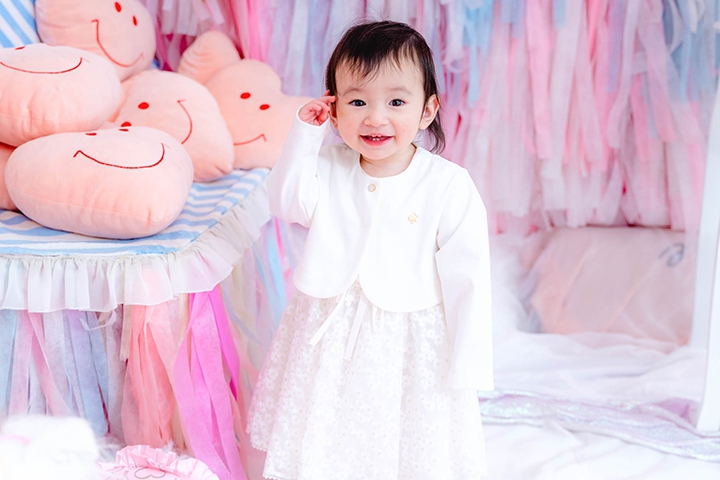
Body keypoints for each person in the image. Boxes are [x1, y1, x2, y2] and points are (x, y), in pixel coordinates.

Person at [247, 20, 493, 480]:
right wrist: (304, 136)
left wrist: (469, 363)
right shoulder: (327, 165)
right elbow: (284, 202)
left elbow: (470, 277)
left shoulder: (448, 184)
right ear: (334, 110)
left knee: (403, 428)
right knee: (329, 415)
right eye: (358, 102)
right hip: (330, 325)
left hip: (410, 336)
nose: (375, 118)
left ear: (427, 110)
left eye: (396, 102)